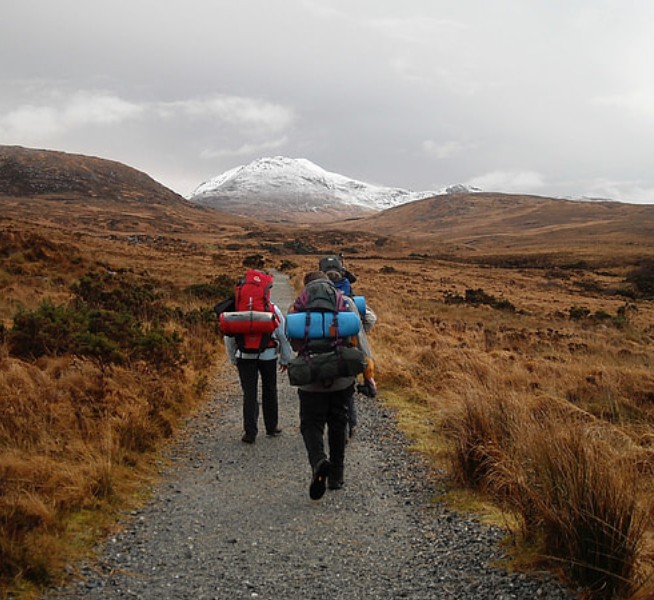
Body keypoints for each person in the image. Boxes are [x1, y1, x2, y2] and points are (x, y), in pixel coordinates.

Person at [288, 271, 373, 499]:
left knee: (311, 424)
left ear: (306, 286)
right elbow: (360, 339)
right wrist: (368, 375)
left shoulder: (298, 305)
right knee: (338, 422)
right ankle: (337, 476)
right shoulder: (345, 302)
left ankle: (318, 461)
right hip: (341, 374)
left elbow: (293, 341)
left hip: (311, 376)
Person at [224, 280, 292, 444]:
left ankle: (250, 432)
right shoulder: (272, 308)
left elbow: (229, 336)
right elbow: (283, 335)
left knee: (249, 392)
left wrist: (233, 358)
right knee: (270, 389)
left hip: (244, 355)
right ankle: (271, 426)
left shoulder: (237, 309)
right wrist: (285, 359)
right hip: (268, 355)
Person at [324, 268, 377, 439]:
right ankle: (350, 425)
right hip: (348, 349)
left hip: (323, 350)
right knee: (347, 389)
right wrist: (368, 372)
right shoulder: (349, 301)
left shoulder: (316, 300)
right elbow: (370, 319)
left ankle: (325, 424)